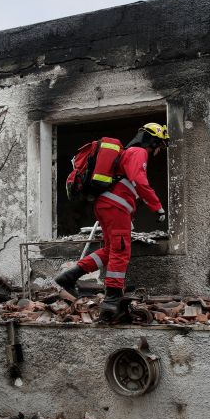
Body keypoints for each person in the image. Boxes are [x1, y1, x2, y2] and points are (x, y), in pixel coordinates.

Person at [55, 122, 168, 320]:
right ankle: (112, 299)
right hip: (116, 207)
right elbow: (140, 180)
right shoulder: (138, 152)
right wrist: (157, 207)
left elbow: (129, 183)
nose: (158, 151)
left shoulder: (126, 154)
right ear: (153, 141)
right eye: (160, 145)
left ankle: (70, 276)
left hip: (106, 206)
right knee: (122, 249)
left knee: (110, 250)